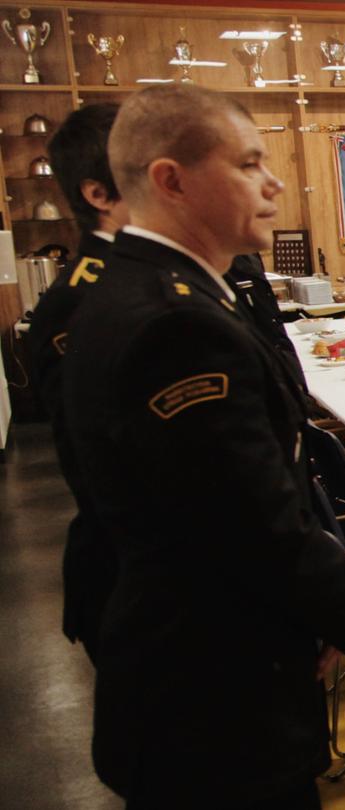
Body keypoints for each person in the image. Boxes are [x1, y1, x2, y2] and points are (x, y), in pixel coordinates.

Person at [64, 83, 345, 809]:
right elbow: (251, 520)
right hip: (212, 698)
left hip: (201, 677)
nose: (273, 184)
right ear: (171, 180)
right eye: (247, 164)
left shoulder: (159, 290)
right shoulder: (174, 324)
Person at [24, 102, 125, 658]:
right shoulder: (82, 302)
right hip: (139, 589)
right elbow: (105, 474)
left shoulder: (149, 283)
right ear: (98, 193)